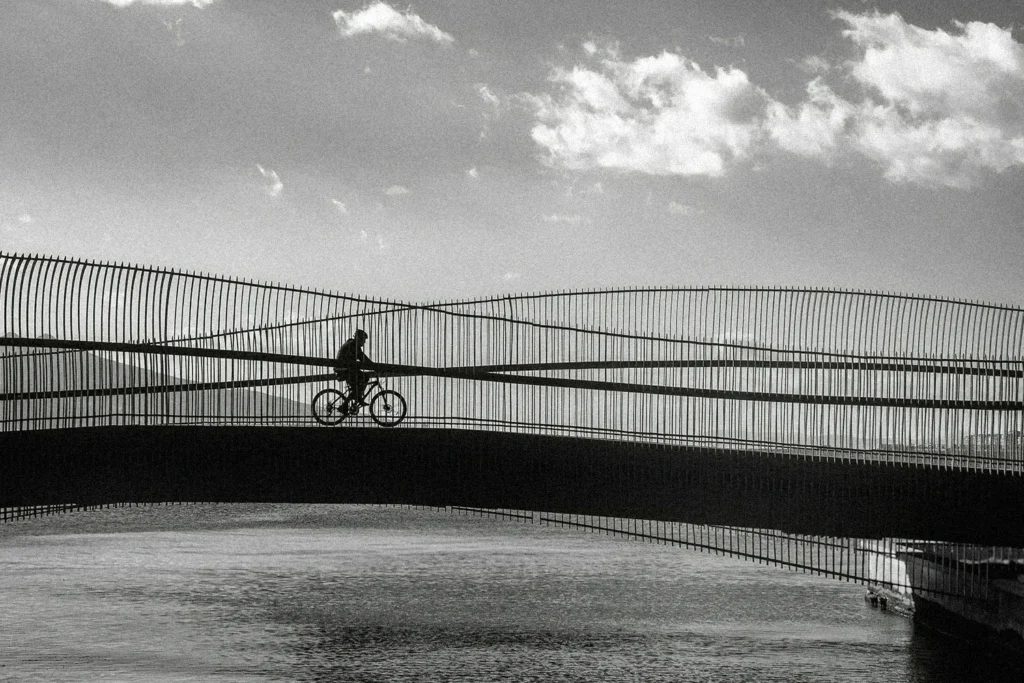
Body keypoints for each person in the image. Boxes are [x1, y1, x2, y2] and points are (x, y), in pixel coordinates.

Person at [335, 329, 372, 405]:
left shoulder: (352, 344)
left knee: (357, 386)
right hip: (344, 370)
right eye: (363, 340)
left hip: (344, 369)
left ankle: (353, 401)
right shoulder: (353, 345)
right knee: (364, 377)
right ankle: (357, 398)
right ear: (359, 339)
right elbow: (362, 358)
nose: (364, 343)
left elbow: (362, 358)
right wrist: (374, 366)